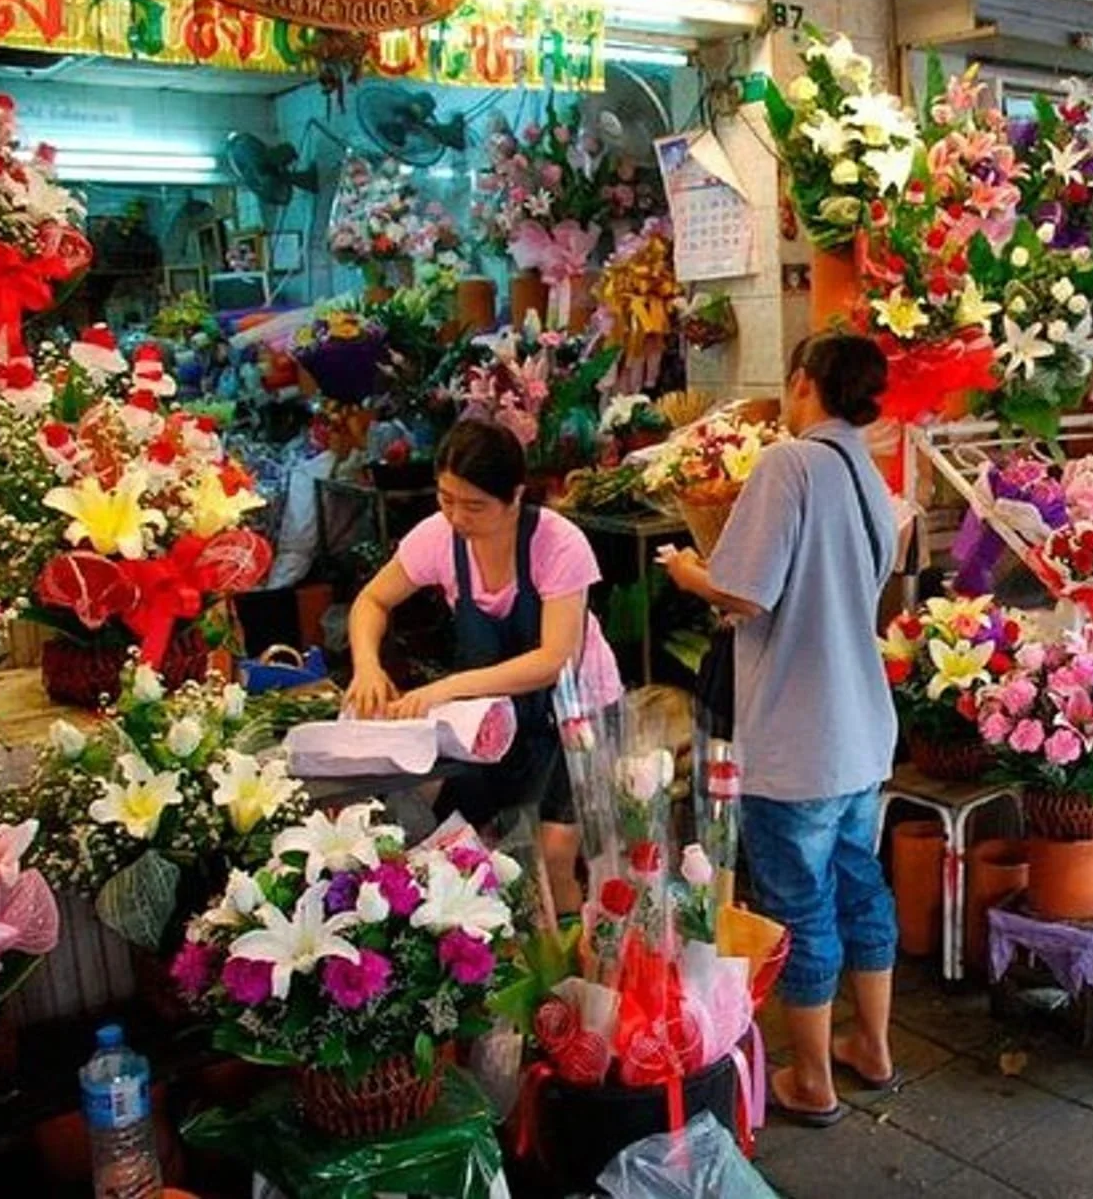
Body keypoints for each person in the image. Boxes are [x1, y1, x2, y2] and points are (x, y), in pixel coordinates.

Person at [662, 333, 899, 1128]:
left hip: (797, 740)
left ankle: (811, 1080)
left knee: (801, 904)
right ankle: (872, 1046)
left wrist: (689, 572)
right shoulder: (868, 471)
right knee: (860, 886)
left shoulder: (788, 464)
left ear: (803, 382)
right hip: (862, 732)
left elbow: (746, 594)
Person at [345, 418, 622, 909]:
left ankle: (573, 973)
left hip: (577, 710)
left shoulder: (558, 543)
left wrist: (448, 687)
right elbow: (372, 601)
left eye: (474, 505)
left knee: (554, 851)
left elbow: (553, 660)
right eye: (446, 498)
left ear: (515, 496)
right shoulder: (438, 537)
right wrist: (367, 666)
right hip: (494, 712)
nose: (456, 517)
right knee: (468, 838)